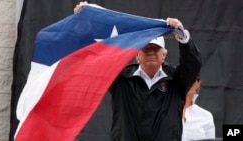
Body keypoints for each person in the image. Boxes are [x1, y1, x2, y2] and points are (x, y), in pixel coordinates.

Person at [74, 2, 202, 141]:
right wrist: (85, 24)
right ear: (137, 55)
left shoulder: (177, 79)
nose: (151, 53)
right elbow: (95, 58)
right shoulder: (121, 78)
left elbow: (192, 64)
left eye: (155, 49)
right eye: (146, 49)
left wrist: (184, 38)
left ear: (164, 54)